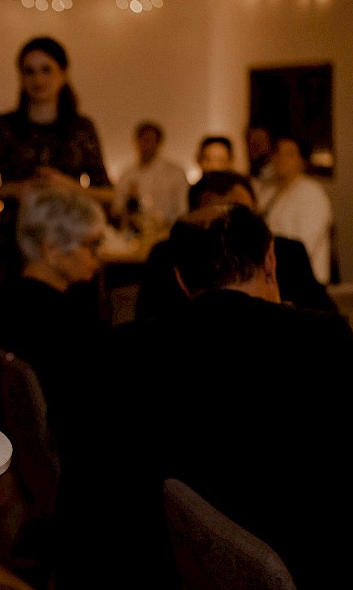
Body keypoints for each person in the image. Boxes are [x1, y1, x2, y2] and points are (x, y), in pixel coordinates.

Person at [54, 203, 353, 588]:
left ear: (180, 278)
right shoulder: (322, 341)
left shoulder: (127, 348)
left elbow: (88, 485)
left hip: (163, 565)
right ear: (270, 260)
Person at [0, 186, 110, 587]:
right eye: (91, 246)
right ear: (54, 250)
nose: (98, 257)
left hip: (33, 462)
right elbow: (91, 403)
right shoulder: (60, 320)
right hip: (70, 464)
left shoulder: (7, 302)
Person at [0, 35, 112, 319]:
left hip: (71, 245)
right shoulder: (4, 127)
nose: (38, 78)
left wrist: (70, 187)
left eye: (46, 69)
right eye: (29, 70)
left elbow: (110, 194)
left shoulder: (81, 128)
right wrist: (14, 189)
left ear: (63, 74)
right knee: (14, 326)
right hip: (16, 245)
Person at [135, 170, 338, 319]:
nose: (229, 230)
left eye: (241, 220)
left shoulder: (287, 251)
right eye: (216, 223)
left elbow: (321, 309)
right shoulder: (169, 255)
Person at [255, 134, 333, 284]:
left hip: (304, 280)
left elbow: (304, 244)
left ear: (302, 161)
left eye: (289, 154)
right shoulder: (267, 191)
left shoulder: (312, 193)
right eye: (278, 153)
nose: (281, 159)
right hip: (273, 275)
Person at [113, 120, 189, 235]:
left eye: (150, 141)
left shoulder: (175, 174)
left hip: (167, 236)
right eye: (143, 140)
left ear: (159, 144)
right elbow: (118, 209)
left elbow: (182, 212)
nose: (146, 145)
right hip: (134, 236)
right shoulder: (127, 175)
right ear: (136, 142)